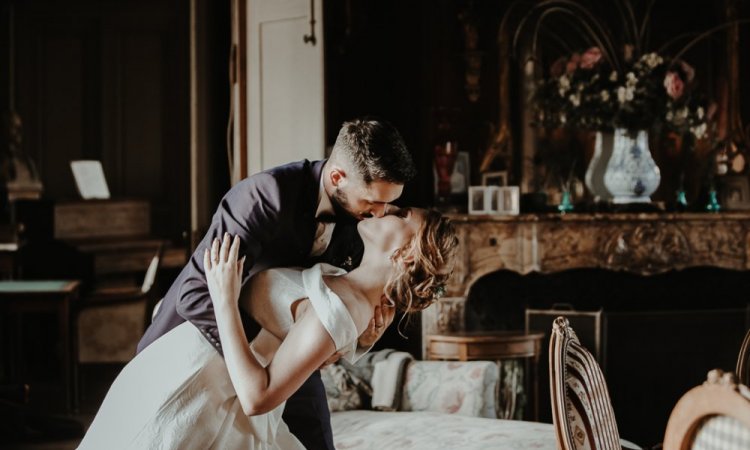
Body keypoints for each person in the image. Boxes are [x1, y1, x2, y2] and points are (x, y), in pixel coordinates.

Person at [135, 118, 416, 449]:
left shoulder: (366, 224)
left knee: (316, 440)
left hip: (284, 355)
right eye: (373, 201)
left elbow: (332, 305)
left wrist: (352, 337)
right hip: (198, 345)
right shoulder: (264, 196)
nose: (382, 213)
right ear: (337, 177)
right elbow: (195, 295)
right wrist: (267, 360)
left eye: (389, 203)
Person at [77, 208, 458, 449]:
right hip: (181, 367)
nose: (389, 208)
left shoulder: (345, 309)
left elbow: (257, 398)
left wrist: (224, 298)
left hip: (202, 391)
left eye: (402, 213)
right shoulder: (349, 288)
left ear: (406, 253)